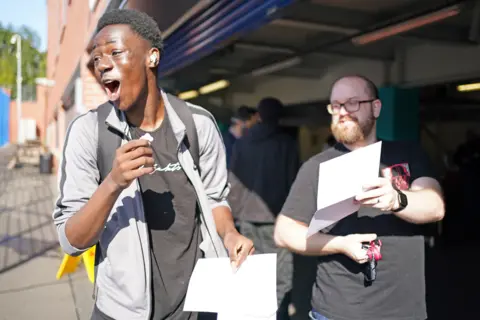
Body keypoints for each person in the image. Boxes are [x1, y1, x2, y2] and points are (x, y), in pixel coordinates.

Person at [52, 9, 254, 320]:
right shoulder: (87, 132)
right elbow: (71, 241)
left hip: (196, 306)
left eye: (115, 52)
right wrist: (113, 182)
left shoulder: (198, 124)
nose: (102, 64)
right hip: (120, 312)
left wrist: (229, 234)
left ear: (152, 58)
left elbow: (215, 199)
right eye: (96, 58)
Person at [274, 75, 445, 320]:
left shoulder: (407, 153)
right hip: (339, 311)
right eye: (336, 105)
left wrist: (397, 200)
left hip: (406, 312)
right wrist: (341, 244)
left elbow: (435, 205)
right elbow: (284, 231)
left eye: (353, 103)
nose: (342, 111)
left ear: (376, 107)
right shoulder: (317, 166)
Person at [228, 97, 300, 320]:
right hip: (276, 219)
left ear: (258, 115)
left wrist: (235, 215)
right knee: (280, 276)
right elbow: (293, 181)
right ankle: (278, 315)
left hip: (247, 218)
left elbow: (234, 180)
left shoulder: (243, 142)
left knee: (252, 272)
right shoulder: (287, 143)